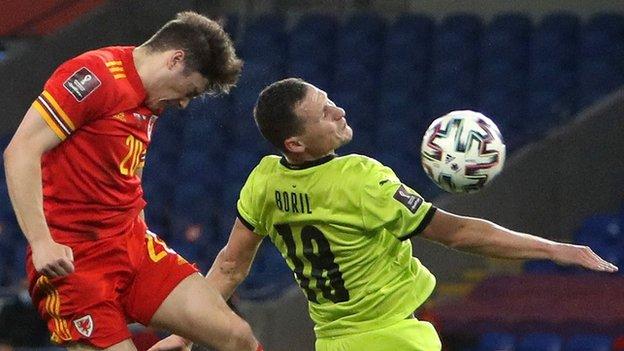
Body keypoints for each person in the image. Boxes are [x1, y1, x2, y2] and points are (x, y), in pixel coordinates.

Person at [150, 78, 619, 351]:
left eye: (329, 100)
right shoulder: (360, 179)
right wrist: (555, 248)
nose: (339, 110)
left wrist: (189, 330)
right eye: (324, 113)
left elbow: (231, 264)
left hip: (333, 342)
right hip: (394, 339)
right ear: (295, 142)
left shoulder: (264, 182)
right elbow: (455, 234)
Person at [3, 11, 264, 351]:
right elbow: (20, 150)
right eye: (190, 89)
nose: (184, 102)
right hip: (74, 261)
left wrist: (183, 335)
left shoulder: (150, 102)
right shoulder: (93, 76)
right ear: (175, 59)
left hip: (133, 247)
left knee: (237, 336)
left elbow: (129, 178)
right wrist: (40, 240)